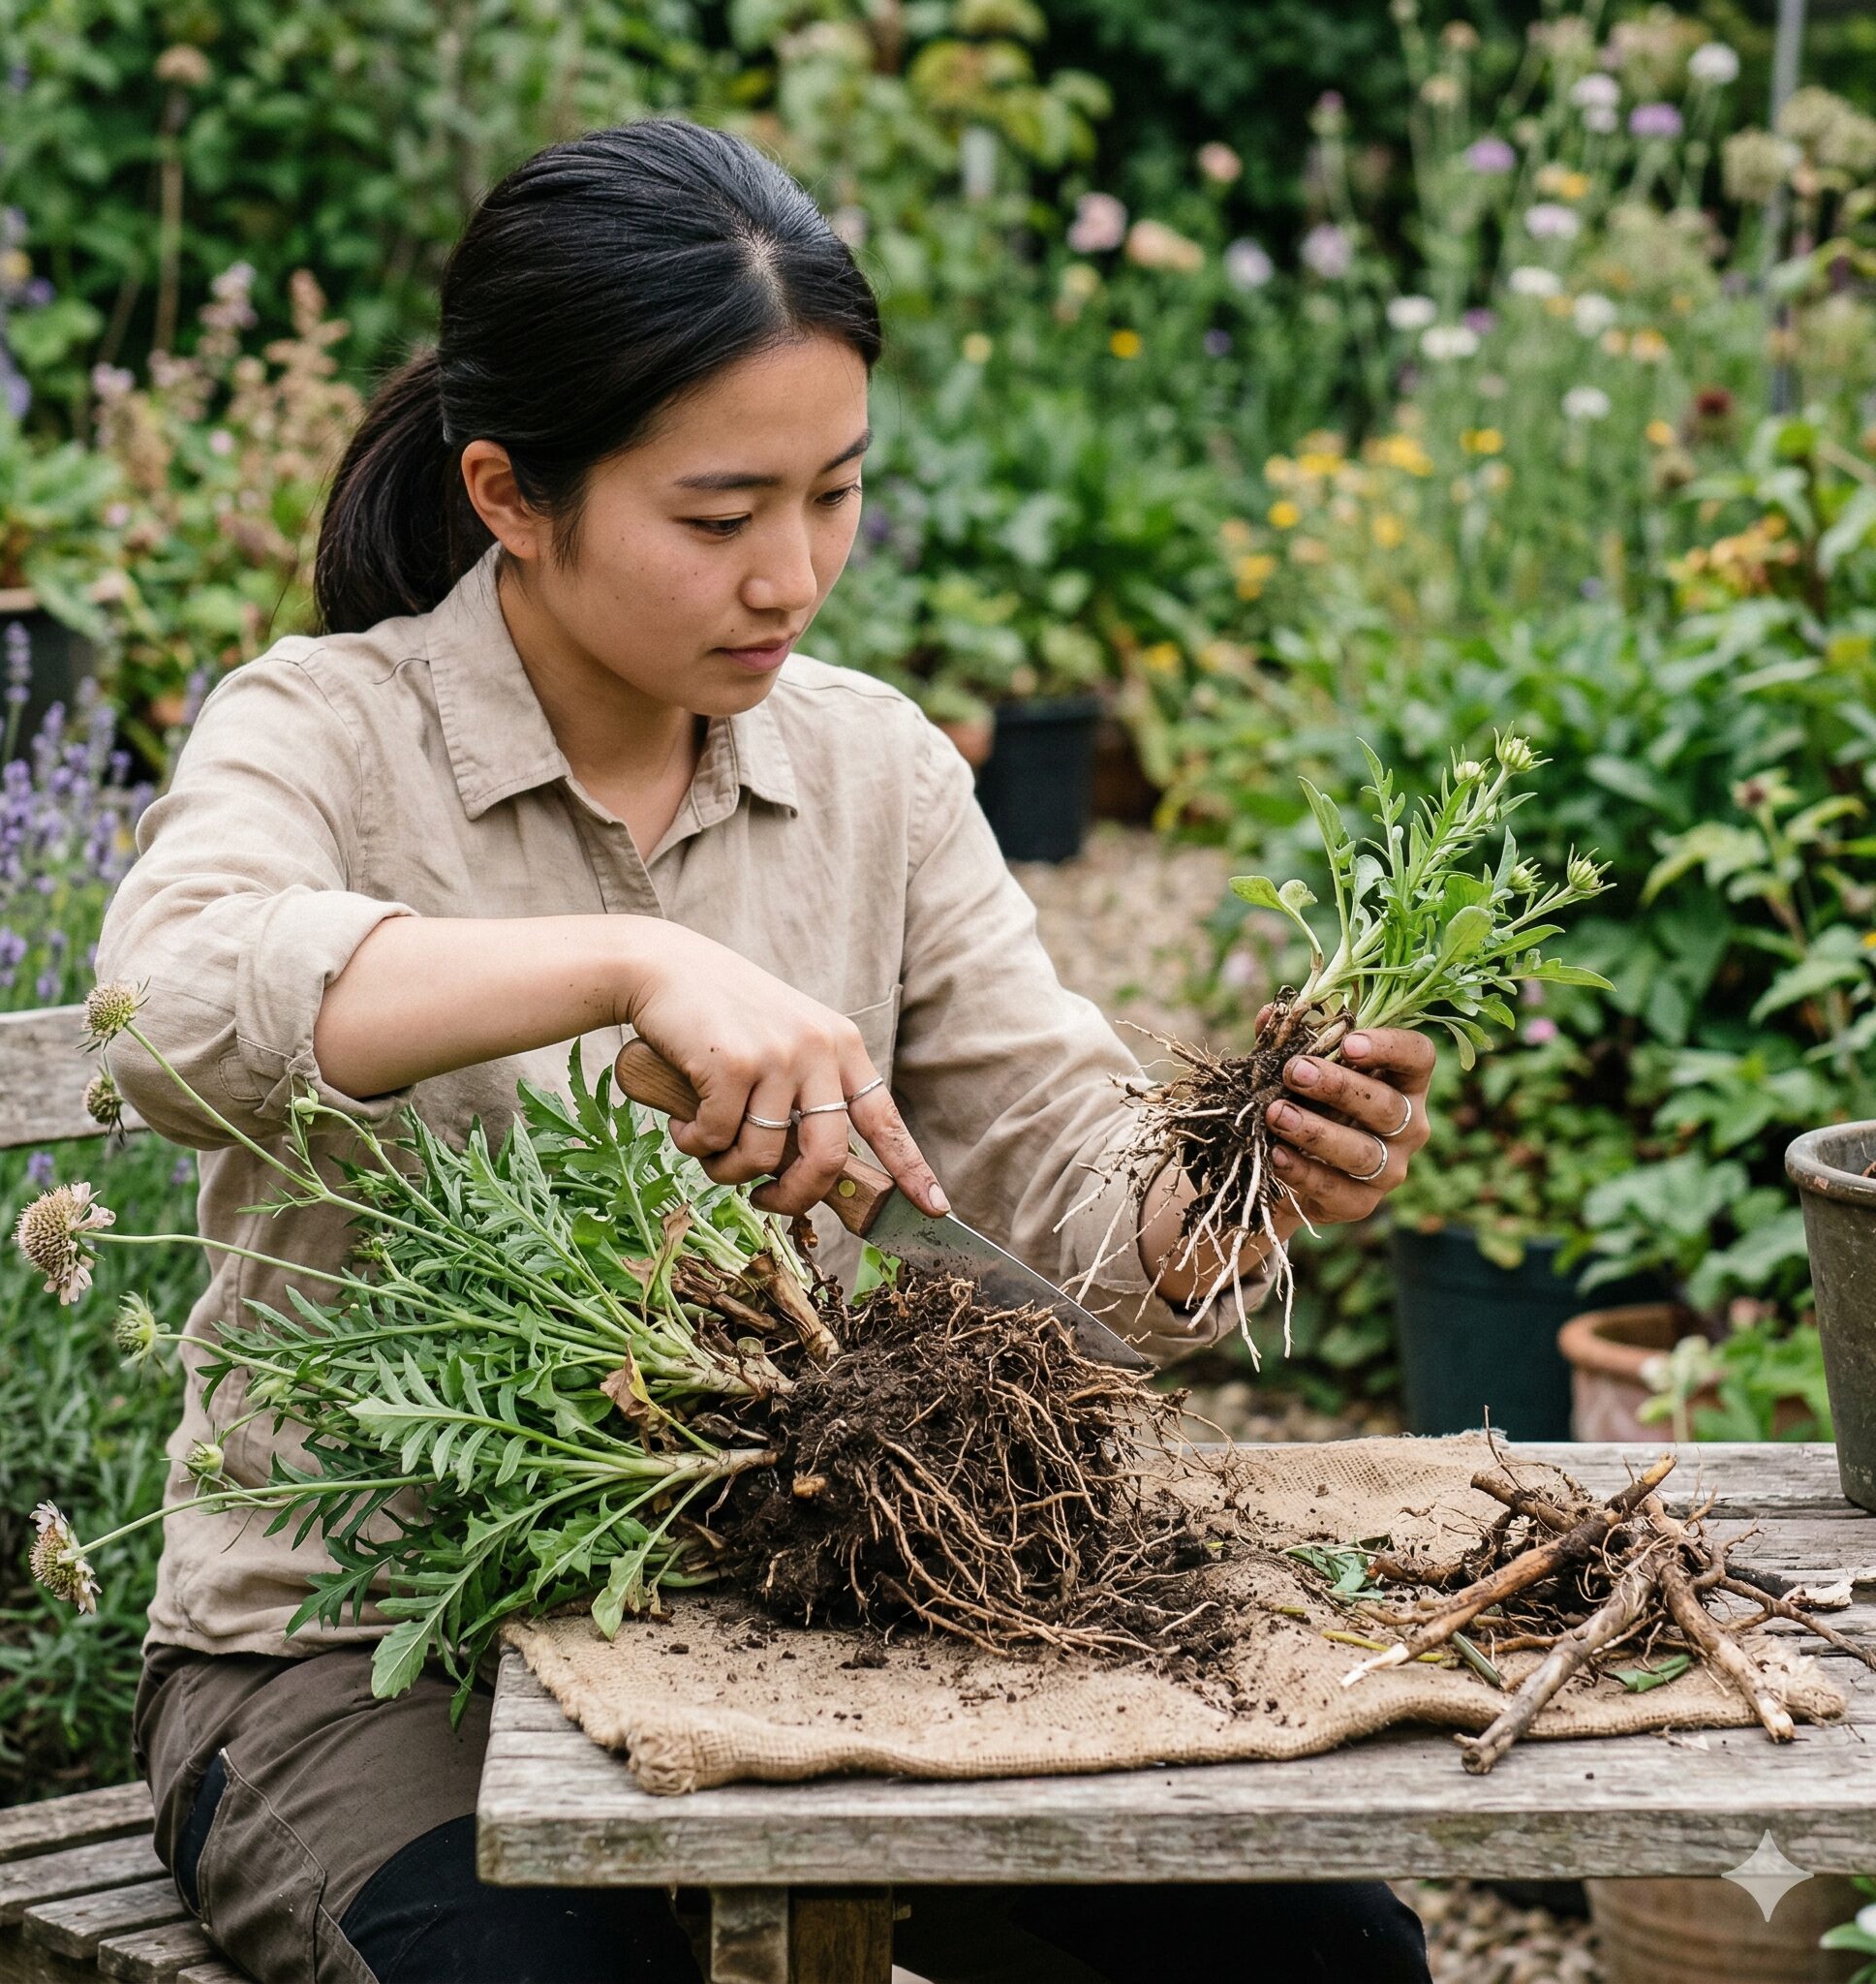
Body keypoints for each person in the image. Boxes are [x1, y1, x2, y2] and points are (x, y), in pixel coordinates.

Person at [100, 116, 1436, 1984]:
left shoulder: (873, 767)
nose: (792, 576)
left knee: (1318, 1959)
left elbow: (1056, 1169)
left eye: (836, 493)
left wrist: (1230, 1191)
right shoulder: (324, 733)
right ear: (508, 492)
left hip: (791, 1605)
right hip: (367, 1649)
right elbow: (166, 1008)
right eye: (719, 517)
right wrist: (626, 962)